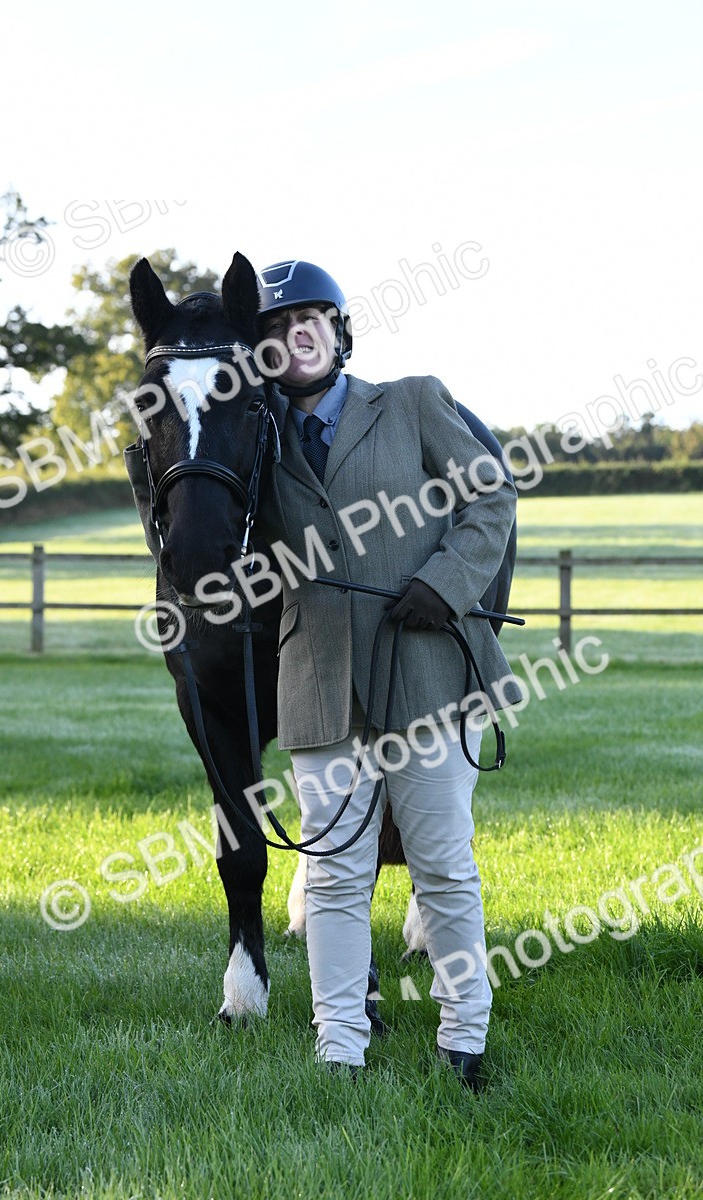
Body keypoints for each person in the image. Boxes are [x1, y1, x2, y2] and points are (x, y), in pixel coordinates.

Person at [253, 259, 522, 1090]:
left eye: (308, 319)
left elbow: (490, 500)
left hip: (429, 673)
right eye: (271, 329)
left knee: (442, 863)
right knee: (333, 873)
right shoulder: (254, 435)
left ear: (339, 330)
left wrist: (445, 585)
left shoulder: (412, 400)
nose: (292, 334)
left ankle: (464, 1036)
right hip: (319, 682)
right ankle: (339, 1047)